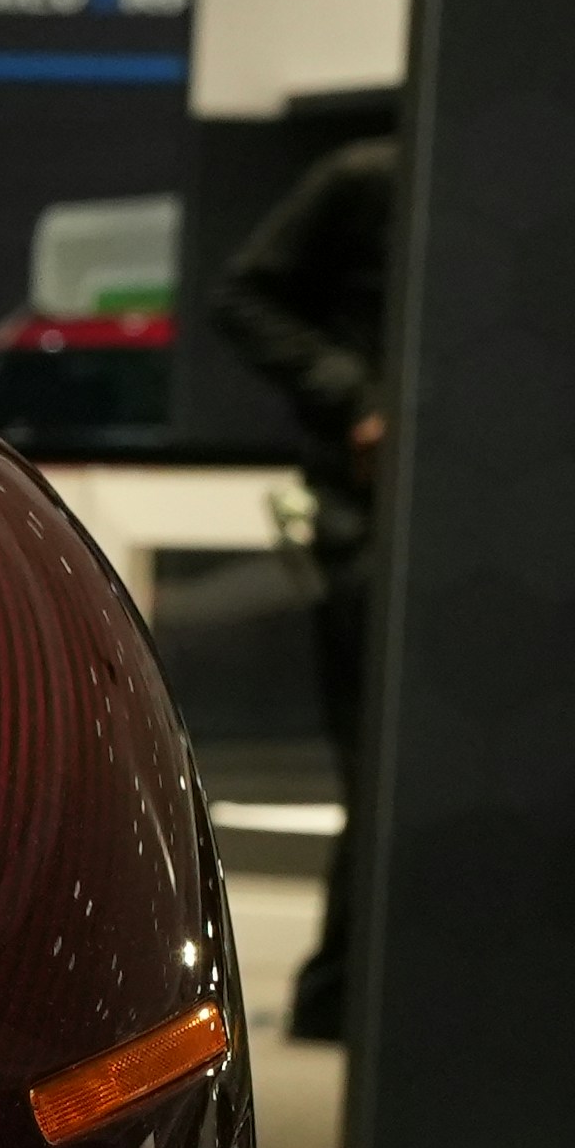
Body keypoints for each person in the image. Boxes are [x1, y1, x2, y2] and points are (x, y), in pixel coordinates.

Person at [201, 101, 399, 1042]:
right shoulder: (367, 180)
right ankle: (342, 994)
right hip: (370, 513)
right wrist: (354, 398)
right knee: (375, 752)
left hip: (440, 510)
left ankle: (358, 993)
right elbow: (242, 297)